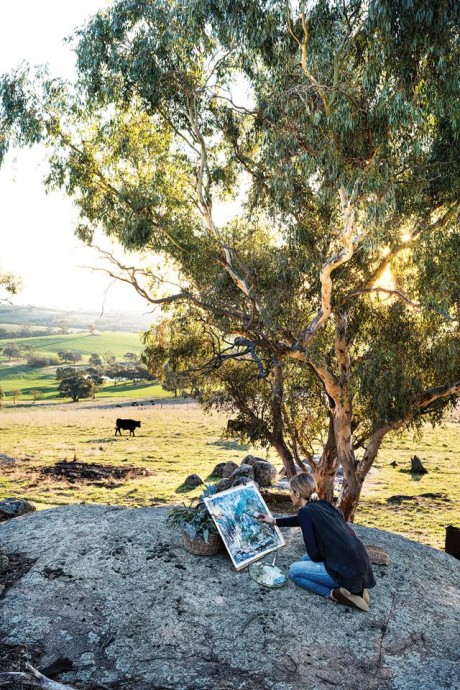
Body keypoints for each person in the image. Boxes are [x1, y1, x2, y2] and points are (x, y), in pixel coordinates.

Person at [257, 472, 375, 611]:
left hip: (344, 570)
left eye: (290, 491)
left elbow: (314, 555)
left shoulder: (305, 513)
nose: (289, 494)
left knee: (294, 571)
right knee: (303, 561)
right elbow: (301, 520)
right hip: (361, 567)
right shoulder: (323, 505)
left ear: (297, 494)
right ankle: (356, 589)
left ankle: (334, 594)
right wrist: (273, 521)